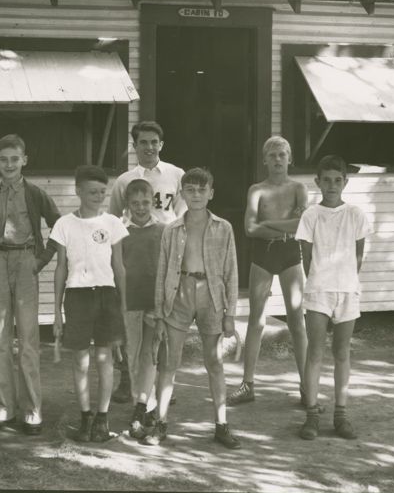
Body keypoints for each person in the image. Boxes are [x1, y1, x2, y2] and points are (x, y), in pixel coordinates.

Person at [143, 168, 241, 449]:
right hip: (179, 295)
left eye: (201, 190)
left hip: (211, 296)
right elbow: (163, 272)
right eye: (190, 190)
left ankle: (221, 425)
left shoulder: (224, 227)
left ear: (211, 193)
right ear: (182, 194)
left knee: (214, 362)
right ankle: (161, 423)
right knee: (168, 362)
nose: (196, 195)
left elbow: (231, 272)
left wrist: (230, 313)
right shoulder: (172, 229)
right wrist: (160, 313)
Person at [0, 134, 61, 435]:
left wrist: (42, 258)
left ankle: (32, 413)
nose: (9, 164)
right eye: (3, 159)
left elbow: (58, 226)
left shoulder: (35, 194)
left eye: (15, 159)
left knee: (28, 339)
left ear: (24, 160)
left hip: (26, 262)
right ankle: (4, 411)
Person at [228, 135, 309, 407]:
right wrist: (285, 224)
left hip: (289, 253)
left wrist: (269, 223)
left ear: (290, 159)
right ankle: (247, 384)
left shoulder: (299, 188)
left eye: (282, 155)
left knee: (297, 319)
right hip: (263, 253)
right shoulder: (257, 190)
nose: (277, 160)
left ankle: (306, 383)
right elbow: (250, 229)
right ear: (264, 160)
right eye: (272, 155)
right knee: (256, 319)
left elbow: (302, 226)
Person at [107, 120, 185, 402]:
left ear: (161, 145)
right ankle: (127, 380)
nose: (149, 147)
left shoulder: (176, 175)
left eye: (154, 142)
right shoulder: (124, 181)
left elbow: (182, 217)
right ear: (134, 145)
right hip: (135, 253)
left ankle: (162, 382)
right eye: (143, 142)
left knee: (161, 320)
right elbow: (114, 219)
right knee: (129, 323)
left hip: (164, 252)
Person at [295, 155, 372, 440]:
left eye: (337, 180)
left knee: (342, 352)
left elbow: (359, 254)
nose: (331, 185)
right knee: (315, 351)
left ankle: (341, 414)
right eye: (326, 180)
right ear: (317, 182)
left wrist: (346, 281)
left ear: (345, 182)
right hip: (319, 291)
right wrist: (320, 280)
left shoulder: (355, 214)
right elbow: (306, 257)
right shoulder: (310, 215)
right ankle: (312, 414)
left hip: (347, 291)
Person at [51, 165, 129, 443]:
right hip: (77, 297)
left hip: (107, 295)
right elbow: (61, 268)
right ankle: (85, 418)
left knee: (104, 358)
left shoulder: (113, 224)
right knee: (81, 360)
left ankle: (102, 419)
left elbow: (119, 267)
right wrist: (57, 311)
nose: (98, 196)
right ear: (78, 191)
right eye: (92, 191)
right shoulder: (64, 224)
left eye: (102, 192)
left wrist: (123, 303)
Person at [119, 179, 166, 439]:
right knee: (133, 355)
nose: (140, 208)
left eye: (145, 202)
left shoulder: (163, 230)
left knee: (151, 354)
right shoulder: (121, 232)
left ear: (153, 201)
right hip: (130, 302)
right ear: (128, 204)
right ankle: (144, 403)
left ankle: (144, 407)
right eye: (135, 203)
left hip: (154, 302)